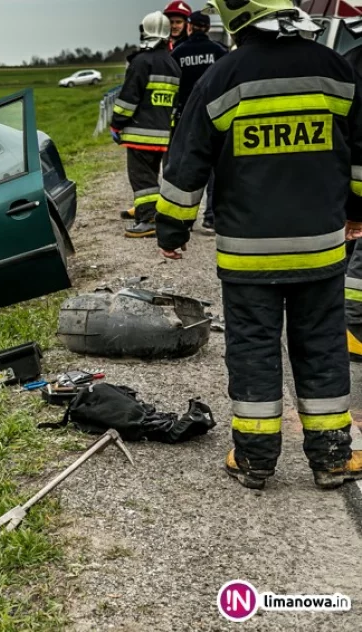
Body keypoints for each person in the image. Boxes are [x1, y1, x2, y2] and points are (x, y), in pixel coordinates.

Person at [156, 0, 362, 490]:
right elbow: (361, 156)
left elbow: (186, 168)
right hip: (321, 250)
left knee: (252, 349)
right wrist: (357, 213)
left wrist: (172, 232)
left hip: (249, 255)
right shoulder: (336, 70)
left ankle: (255, 460)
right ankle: (332, 458)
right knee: (322, 348)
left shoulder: (222, 78)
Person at [110, 11, 181, 239]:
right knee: (150, 176)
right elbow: (172, 104)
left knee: (141, 178)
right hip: (162, 134)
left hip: (140, 134)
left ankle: (149, 219)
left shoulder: (141, 61)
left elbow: (128, 99)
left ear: (145, 31)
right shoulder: (172, 64)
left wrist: (116, 124)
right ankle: (148, 212)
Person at [171, 10, 228, 234]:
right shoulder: (219, 52)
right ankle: (211, 217)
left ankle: (183, 218)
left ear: (190, 26)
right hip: (217, 115)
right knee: (215, 169)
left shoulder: (178, 53)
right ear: (207, 28)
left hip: (187, 117)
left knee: (187, 167)